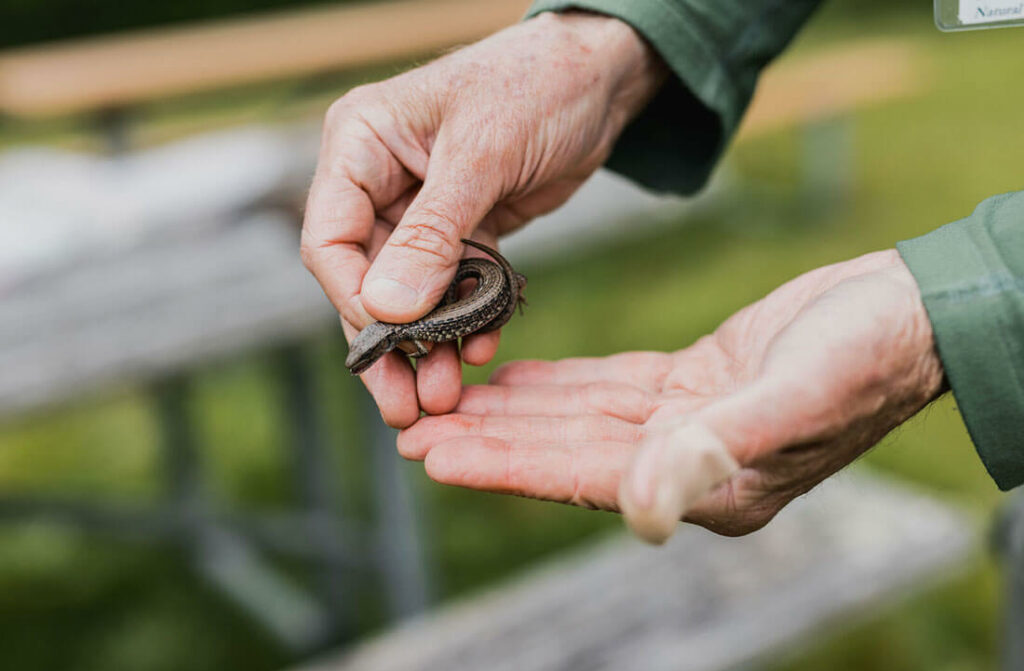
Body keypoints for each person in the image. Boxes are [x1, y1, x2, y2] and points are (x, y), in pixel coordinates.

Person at [301, 1, 1022, 541]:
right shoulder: (417, 327)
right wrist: (606, 47)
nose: (366, 348)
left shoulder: (415, 324)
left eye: (371, 345)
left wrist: (962, 305)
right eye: (369, 348)